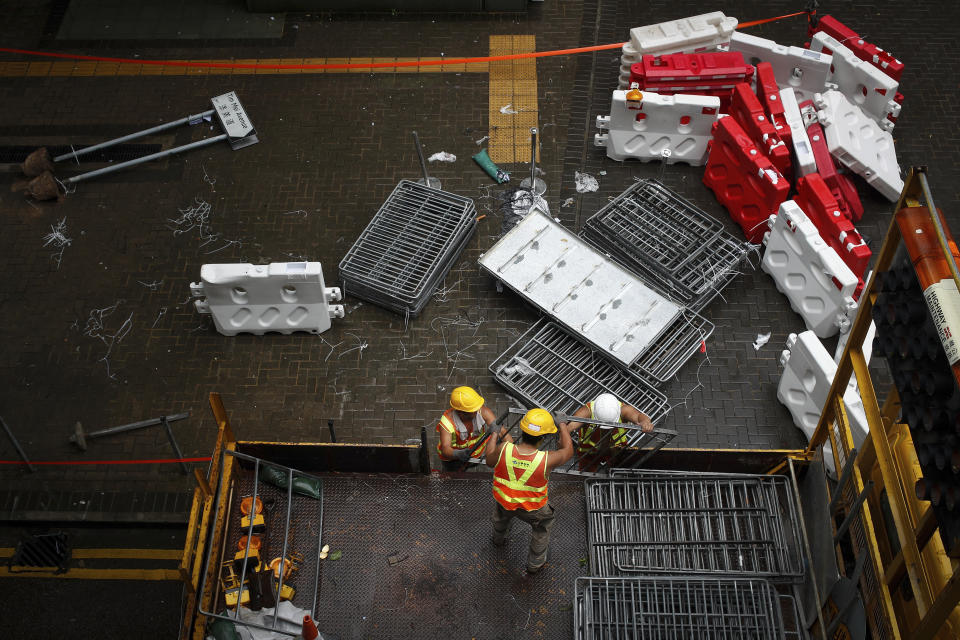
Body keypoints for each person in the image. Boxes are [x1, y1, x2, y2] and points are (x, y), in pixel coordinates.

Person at [485, 408, 573, 574]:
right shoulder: (547, 459)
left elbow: (489, 459)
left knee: (501, 516)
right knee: (543, 526)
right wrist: (561, 424)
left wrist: (495, 434)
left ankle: (498, 539)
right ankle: (534, 564)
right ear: (543, 437)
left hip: (505, 501)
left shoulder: (504, 448)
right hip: (533, 510)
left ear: (523, 430)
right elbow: (568, 450)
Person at [562, 393, 654, 468]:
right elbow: (569, 427)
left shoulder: (624, 410)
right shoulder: (587, 411)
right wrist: (563, 447)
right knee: (585, 473)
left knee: (620, 472)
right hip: (589, 452)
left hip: (616, 451)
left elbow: (639, 416)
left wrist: (645, 422)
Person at [436, 386, 503, 471]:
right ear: (461, 413)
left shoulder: (482, 411)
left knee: (468, 467)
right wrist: (458, 454)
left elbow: (503, 432)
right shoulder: (447, 423)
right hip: (453, 460)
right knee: (454, 475)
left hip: (475, 454)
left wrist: (513, 453)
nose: (478, 411)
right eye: (473, 410)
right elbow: (445, 449)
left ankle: (467, 467)